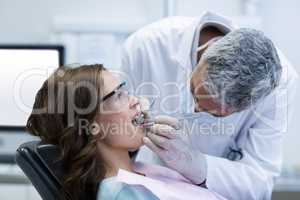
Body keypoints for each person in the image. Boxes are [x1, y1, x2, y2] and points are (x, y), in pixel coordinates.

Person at [120, 11, 299, 199]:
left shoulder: (280, 87)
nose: (195, 111)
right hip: (147, 187)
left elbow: (260, 181)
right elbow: (116, 132)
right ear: (206, 53)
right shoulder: (146, 47)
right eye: (193, 91)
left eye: (214, 114)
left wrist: (199, 166)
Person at [26, 64, 227, 200]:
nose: (136, 100)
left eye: (126, 91)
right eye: (119, 95)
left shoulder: (143, 171)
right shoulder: (121, 193)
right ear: (92, 126)